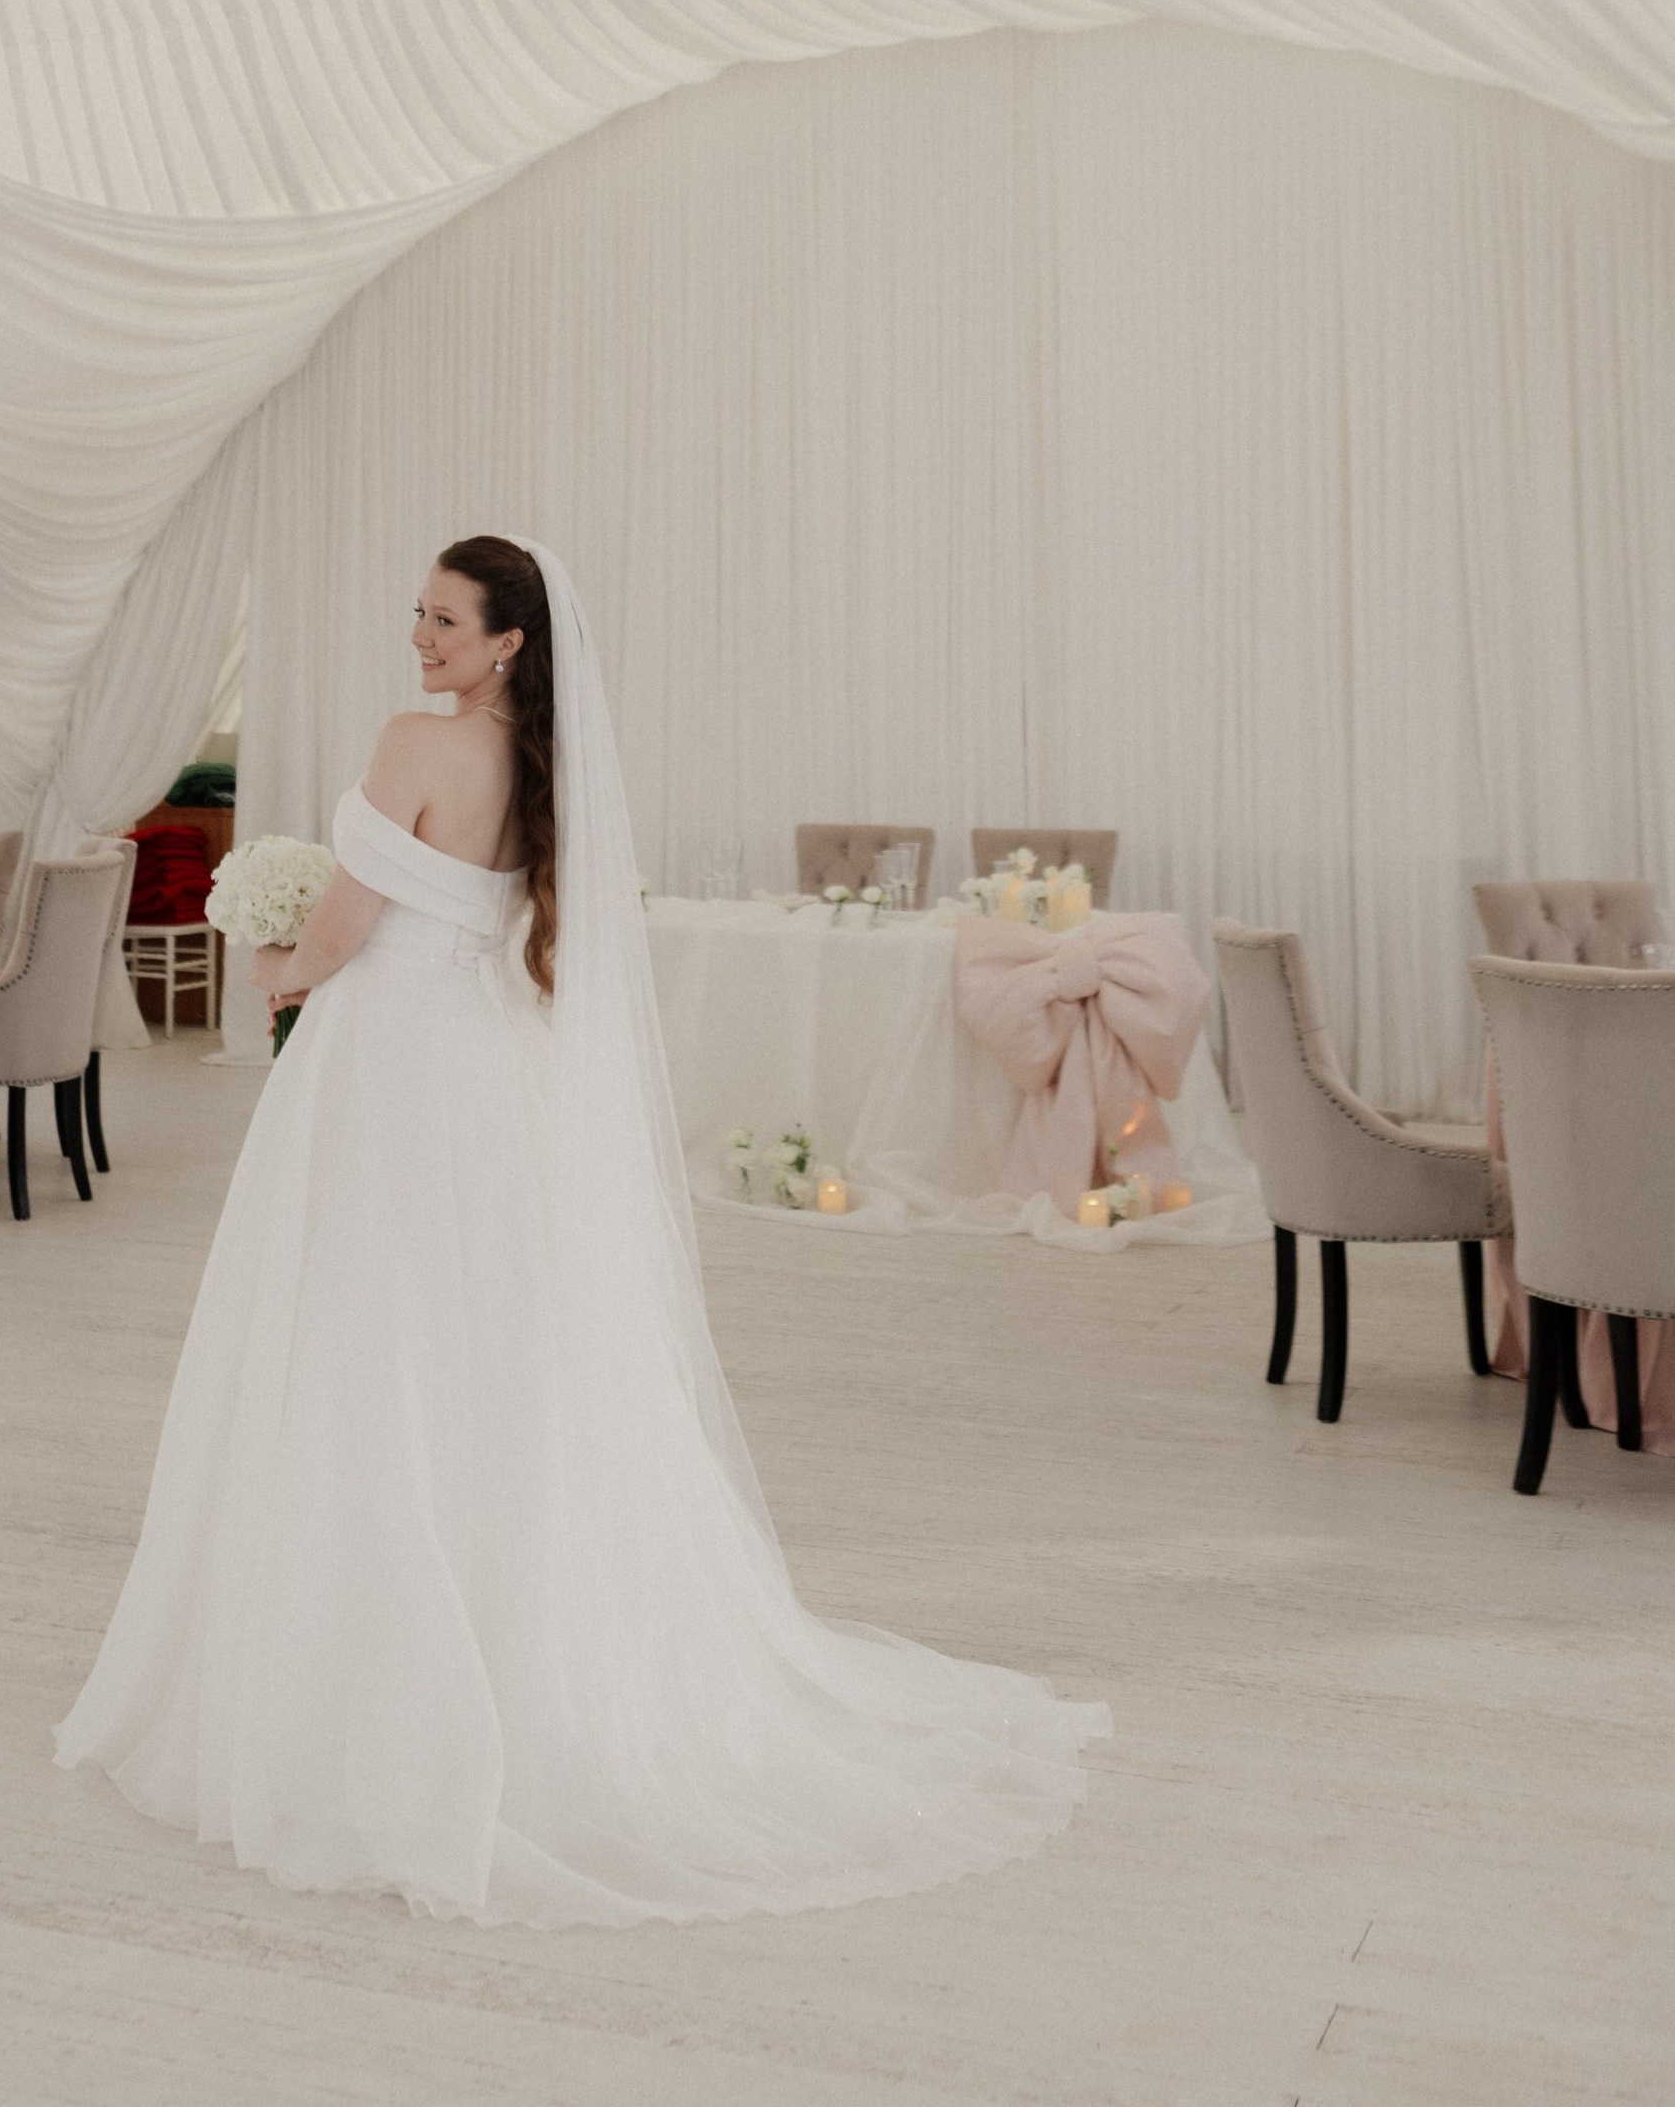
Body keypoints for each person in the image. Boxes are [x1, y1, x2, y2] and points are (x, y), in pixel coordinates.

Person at [56, 533, 1107, 1924]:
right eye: (415, 616)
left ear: (507, 644)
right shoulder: (543, 782)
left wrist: (275, 956)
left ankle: (357, 1669)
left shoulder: (415, 745)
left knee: (363, 1346)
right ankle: (503, 1646)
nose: (419, 638)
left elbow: (347, 932)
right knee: (482, 1355)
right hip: (483, 1079)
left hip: (383, 1073)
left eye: (445, 621)